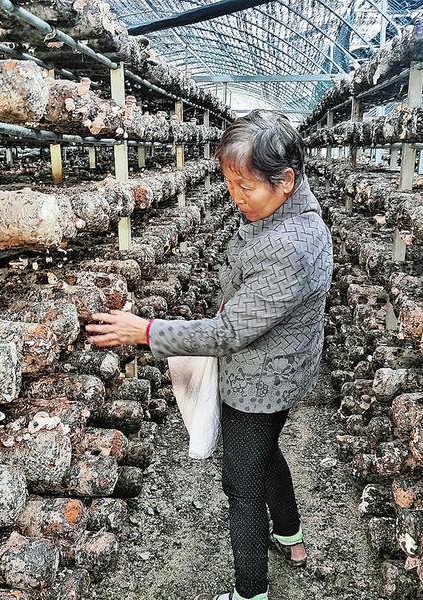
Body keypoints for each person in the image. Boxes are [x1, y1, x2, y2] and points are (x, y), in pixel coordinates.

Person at [86, 109, 333, 600]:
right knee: (266, 452)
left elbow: (229, 332)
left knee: (241, 487)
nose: (235, 197)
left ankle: (250, 592)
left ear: (285, 180)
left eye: (246, 187)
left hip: (260, 381)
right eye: (230, 184)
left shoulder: (289, 244)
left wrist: (146, 331)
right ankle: (291, 538)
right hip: (284, 369)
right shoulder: (293, 215)